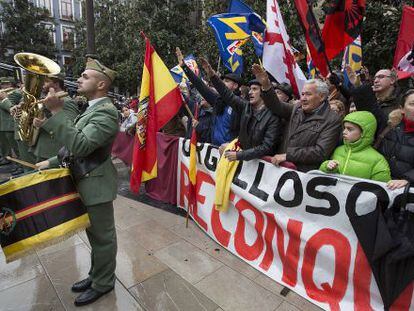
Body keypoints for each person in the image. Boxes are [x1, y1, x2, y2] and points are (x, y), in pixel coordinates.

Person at [35, 58, 119, 306]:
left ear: (101, 84)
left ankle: (104, 283)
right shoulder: (92, 108)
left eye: (85, 76)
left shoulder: (106, 111)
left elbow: (81, 145)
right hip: (84, 182)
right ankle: (96, 275)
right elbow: (75, 147)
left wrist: (57, 112)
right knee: (94, 237)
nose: (79, 79)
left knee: (103, 238)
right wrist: (49, 162)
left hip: (97, 186)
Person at [253, 64, 341, 172]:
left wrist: (288, 155)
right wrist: (266, 86)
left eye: (308, 94)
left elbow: (320, 152)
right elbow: (276, 106)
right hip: (280, 169)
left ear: (322, 97)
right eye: (302, 94)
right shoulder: (297, 108)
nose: (303, 98)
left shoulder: (332, 120)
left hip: (302, 176)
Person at [199, 58, 281, 161]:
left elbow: (266, 147)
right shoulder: (245, 107)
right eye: (250, 89)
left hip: (257, 167)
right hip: (240, 161)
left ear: (264, 92)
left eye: (255, 89)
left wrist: (240, 155)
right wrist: (212, 75)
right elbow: (226, 93)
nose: (250, 92)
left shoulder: (273, 116)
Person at [352, 86, 414, 189]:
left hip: (405, 196)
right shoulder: (389, 127)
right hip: (378, 189)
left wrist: (408, 179)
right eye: (412, 104)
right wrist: (358, 83)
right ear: (402, 109)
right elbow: (366, 104)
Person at [177, 47, 240, 146]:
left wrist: (232, 146)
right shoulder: (218, 101)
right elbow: (201, 87)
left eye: (227, 82)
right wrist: (185, 68)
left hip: (230, 153)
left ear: (235, 86)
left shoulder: (240, 105)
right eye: (223, 81)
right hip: (213, 150)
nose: (223, 83)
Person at [319, 111, 391, 182]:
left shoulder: (378, 160)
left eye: (349, 129)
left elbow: (380, 188)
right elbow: (322, 175)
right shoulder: (338, 150)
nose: (344, 132)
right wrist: (327, 167)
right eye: (344, 128)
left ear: (364, 132)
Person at [32, 73, 80, 162]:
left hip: (53, 151)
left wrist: (44, 124)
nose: (42, 84)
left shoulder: (66, 101)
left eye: (46, 81)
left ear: (56, 84)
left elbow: (71, 126)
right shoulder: (49, 99)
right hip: (44, 148)